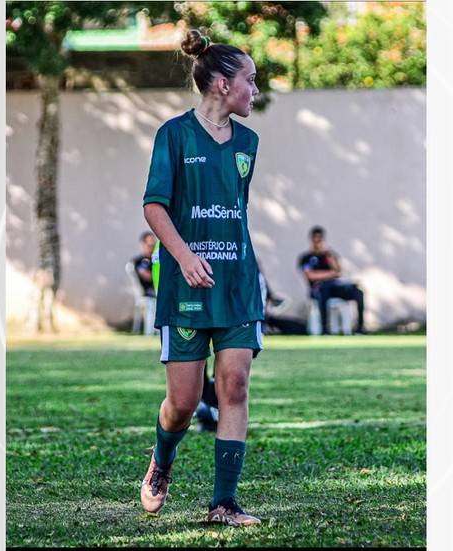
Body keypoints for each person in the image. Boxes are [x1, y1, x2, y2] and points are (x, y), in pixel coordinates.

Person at [139, 28, 263, 527]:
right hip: (185, 287)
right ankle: (160, 463)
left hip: (236, 284)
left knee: (234, 385)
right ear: (220, 84)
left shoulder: (249, 143)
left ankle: (223, 503)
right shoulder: (173, 134)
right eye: (250, 81)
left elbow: (236, 211)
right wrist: (185, 256)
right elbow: (154, 206)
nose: (255, 90)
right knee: (184, 403)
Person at [297, 225, 368, 335]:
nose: (317, 241)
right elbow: (311, 276)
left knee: (358, 292)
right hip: (319, 289)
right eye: (315, 238)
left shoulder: (329, 255)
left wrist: (328, 256)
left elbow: (337, 271)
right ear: (311, 239)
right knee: (323, 292)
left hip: (335, 287)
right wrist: (330, 274)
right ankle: (325, 329)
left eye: (320, 238)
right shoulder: (306, 258)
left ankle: (360, 328)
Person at [132, 231, 157, 298]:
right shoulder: (138, 262)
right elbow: (148, 277)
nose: (152, 247)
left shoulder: (157, 261)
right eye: (149, 245)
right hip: (148, 297)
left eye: (153, 244)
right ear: (143, 245)